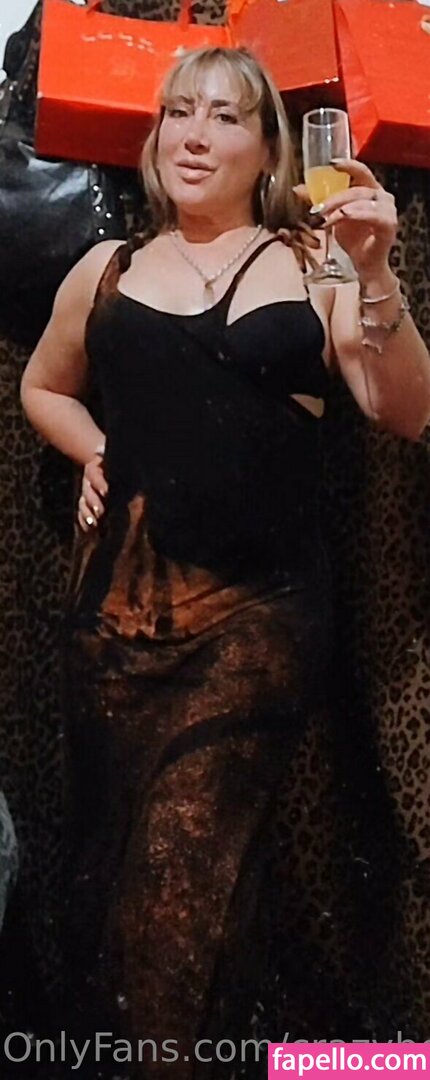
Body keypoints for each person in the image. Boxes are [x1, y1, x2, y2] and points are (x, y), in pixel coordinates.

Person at [20, 44, 430, 1080]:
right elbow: (43, 386)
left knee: (180, 881)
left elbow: (401, 408)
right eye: (178, 113)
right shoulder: (105, 269)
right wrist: (95, 449)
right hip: (111, 627)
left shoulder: (313, 261)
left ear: (269, 147)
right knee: (121, 886)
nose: (195, 135)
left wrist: (377, 274)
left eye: (226, 115)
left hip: (255, 624)